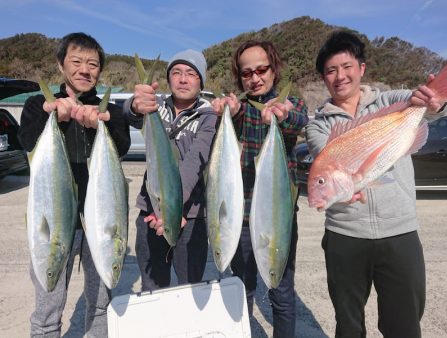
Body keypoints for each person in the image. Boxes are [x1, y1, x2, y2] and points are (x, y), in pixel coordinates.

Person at [305, 30, 447, 338]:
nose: (340, 76)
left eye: (347, 66)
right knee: (348, 324)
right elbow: (331, 168)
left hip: (400, 232)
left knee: (405, 325)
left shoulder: (393, 100)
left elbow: (430, 107)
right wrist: (334, 190)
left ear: (362, 68)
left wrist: (435, 102)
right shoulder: (318, 126)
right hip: (345, 237)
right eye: (331, 70)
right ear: (323, 77)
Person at [18, 32, 130, 338]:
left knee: (99, 303)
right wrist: (56, 118)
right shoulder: (37, 104)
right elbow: (27, 141)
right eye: (77, 61)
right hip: (57, 218)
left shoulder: (111, 111)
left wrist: (99, 126)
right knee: (47, 305)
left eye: (92, 64)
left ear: (100, 70)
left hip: (100, 218)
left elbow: (120, 148)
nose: (85, 69)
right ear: (60, 65)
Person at [211, 40, 309, 338]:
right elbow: (238, 120)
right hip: (240, 217)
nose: (254, 78)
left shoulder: (291, 101)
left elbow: (298, 121)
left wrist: (282, 115)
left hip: (277, 217)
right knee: (243, 290)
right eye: (246, 73)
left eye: (261, 70)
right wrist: (231, 111)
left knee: (281, 292)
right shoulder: (239, 107)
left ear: (273, 68)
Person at [123, 49, 217, 291]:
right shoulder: (154, 106)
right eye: (176, 72)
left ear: (201, 81)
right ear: (169, 78)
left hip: (192, 215)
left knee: (190, 287)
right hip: (149, 211)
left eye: (191, 73)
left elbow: (195, 162)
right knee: (152, 286)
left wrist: (171, 209)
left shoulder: (208, 117)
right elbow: (128, 113)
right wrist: (135, 104)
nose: (183, 79)